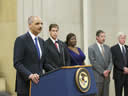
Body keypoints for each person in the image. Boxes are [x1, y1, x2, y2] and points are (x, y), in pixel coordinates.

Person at [13, 16, 46, 96]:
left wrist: (59, 70)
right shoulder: (21, 40)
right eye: (37, 23)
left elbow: (44, 63)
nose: (40, 26)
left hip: (38, 84)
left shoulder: (41, 41)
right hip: (25, 85)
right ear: (30, 25)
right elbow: (17, 63)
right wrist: (30, 75)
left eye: (41, 23)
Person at [88, 30, 113, 96]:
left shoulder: (108, 48)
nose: (103, 38)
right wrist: (103, 72)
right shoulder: (91, 48)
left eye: (104, 36)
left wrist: (108, 70)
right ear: (97, 37)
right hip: (98, 77)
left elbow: (111, 61)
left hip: (107, 77)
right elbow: (93, 62)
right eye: (102, 36)